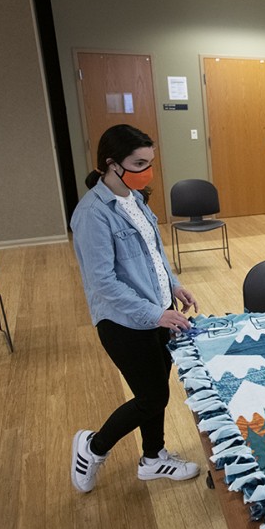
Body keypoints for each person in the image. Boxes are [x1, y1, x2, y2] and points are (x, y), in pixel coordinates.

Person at [70, 124, 200, 493]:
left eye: (151, 162)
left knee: (155, 390)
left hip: (159, 312)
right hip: (126, 322)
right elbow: (103, 283)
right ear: (111, 165)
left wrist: (174, 286)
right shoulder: (92, 215)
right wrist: (155, 314)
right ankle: (93, 448)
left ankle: (153, 458)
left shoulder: (136, 198)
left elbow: (154, 256)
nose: (147, 171)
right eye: (139, 163)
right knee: (152, 397)